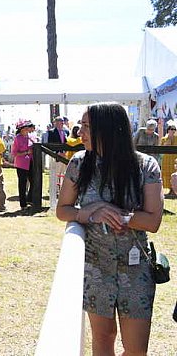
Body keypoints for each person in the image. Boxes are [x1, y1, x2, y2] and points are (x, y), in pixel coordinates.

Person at [56, 102, 163, 355]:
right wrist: (93, 213)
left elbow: (153, 221)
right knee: (103, 339)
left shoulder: (146, 166)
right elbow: (63, 210)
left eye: (87, 127)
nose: (80, 132)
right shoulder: (79, 164)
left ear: (109, 129)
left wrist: (119, 216)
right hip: (96, 268)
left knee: (136, 349)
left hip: (137, 270)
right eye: (81, 126)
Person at [12, 119, 35, 210]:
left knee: (33, 181)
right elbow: (14, 153)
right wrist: (26, 152)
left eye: (27, 127)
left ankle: (29, 199)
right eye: (25, 127)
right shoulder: (17, 138)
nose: (27, 129)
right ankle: (23, 204)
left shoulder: (31, 137)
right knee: (22, 183)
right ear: (21, 129)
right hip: (21, 164)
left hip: (31, 162)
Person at [47, 116, 69, 208]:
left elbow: (68, 143)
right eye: (60, 122)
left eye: (62, 122)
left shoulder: (66, 132)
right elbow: (50, 144)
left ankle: (62, 192)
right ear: (55, 123)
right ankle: (54, 192)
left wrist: (65, 152)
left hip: (65, 156)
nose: (62, 123)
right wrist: (58, 153)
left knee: (64, 174)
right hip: (56, 157)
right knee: (55, 174)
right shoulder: (51, 132)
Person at [160, 121, 177, 196]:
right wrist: (168, 140)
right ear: (168, 130)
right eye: (171, 129)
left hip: (175, 159)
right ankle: (170, 190)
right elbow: (161, 148)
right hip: (166, 159)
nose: (173, 131)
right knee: (166, 174)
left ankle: (175, 190)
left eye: (174, 129)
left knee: (174, 174)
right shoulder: (164, 139)